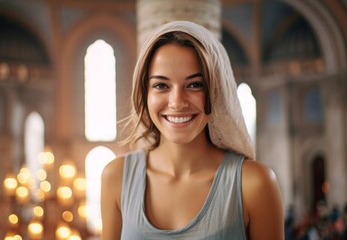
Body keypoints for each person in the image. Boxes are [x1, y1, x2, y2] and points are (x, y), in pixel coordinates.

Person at [101, 21, 284, 239]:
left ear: (216, 92)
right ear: (144, 94)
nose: (177, 102)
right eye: (161, 85)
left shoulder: (254, 183)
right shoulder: (116, 177)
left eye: (194, 84)